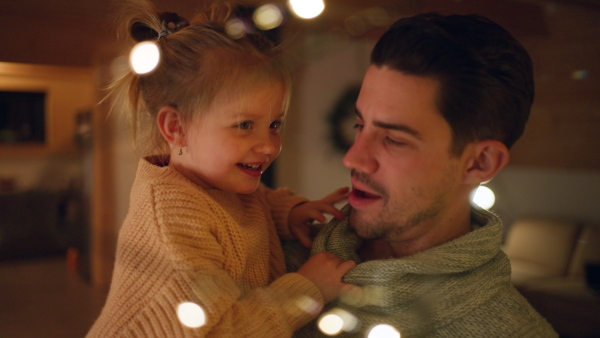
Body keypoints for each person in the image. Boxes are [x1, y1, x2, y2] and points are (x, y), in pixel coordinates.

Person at [87, 0, 356, 337]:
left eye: (274, 124)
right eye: (244, 125)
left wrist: (289, 211)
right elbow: (218, 330)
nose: (269, 145)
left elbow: (249, 208)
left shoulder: (216, 183)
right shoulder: (170, 219)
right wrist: (307, 288)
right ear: (176, 128)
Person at [289, 12, 558, 337]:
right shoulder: (277, 253)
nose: (353, 158)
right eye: (360, 125)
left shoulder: (512, 331)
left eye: (394, 140)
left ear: (481, 163)